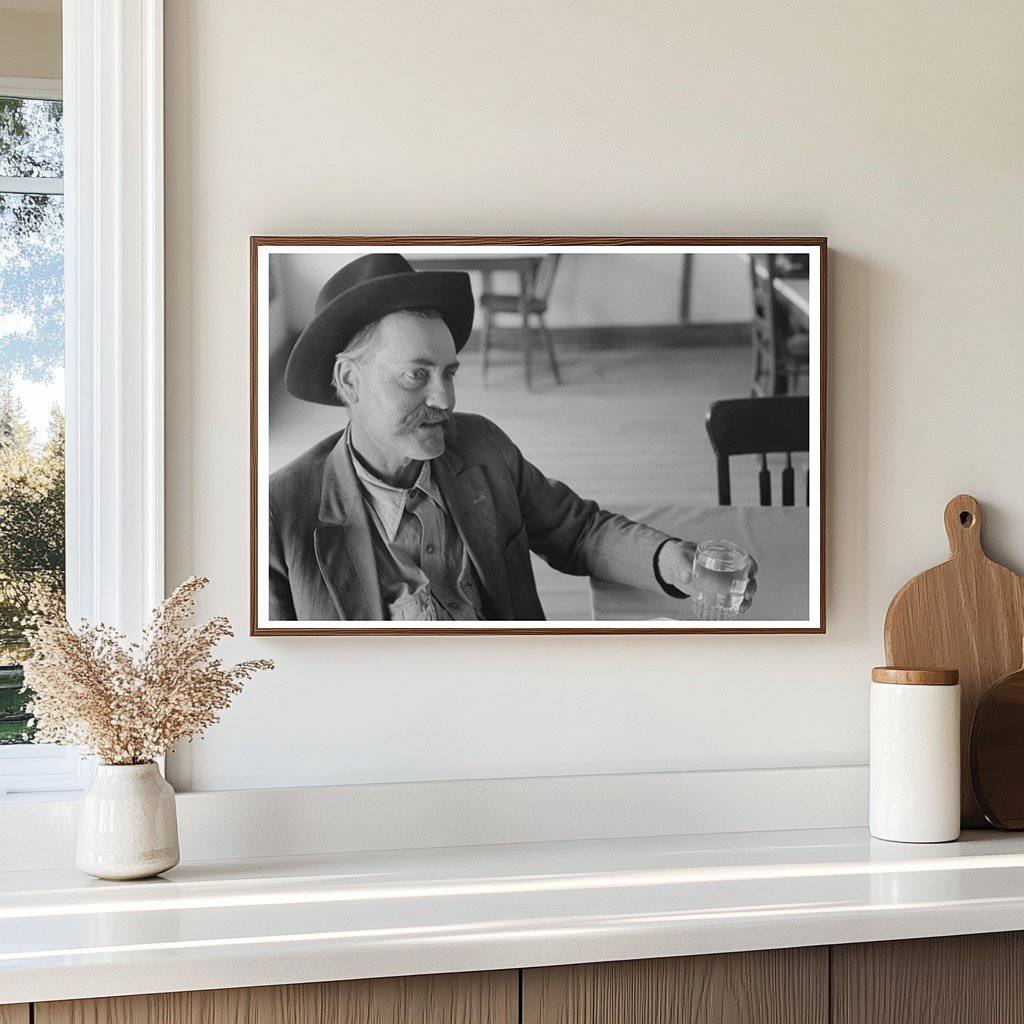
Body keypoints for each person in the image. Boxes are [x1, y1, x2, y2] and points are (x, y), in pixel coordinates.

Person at [268, 253, 757, 621]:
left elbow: (577, 531)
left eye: (449, 373)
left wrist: (673, 561)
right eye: (417, 375)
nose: (445, 399)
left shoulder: (481, 446)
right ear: (350, 381)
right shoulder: (279, 515)